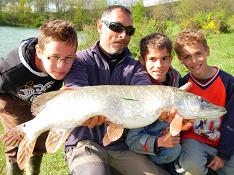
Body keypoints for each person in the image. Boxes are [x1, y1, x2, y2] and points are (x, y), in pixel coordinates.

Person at [63, 5, 170, 175]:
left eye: (129, 30)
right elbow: (75, 90)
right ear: (100, 26)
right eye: (116, 27)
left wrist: (161, 106)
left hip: (120, 146)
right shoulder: (80, 60)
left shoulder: (135, 68)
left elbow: (144, 91)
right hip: (84, 142)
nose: (123, 35)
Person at [0, 19, 78, 175]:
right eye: (53, 57)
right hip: (12, 100)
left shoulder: (70, 63)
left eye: (68, 58)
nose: (61, 66)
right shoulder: (11, 71)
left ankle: (33, 172)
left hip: (42, 100)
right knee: (18, 140)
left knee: (39, 137)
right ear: (39, 52)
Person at [174, 29, 234, 175]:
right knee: (191, 166)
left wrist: (223, 154)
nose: (194, 61)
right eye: (187, 57)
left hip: (221, 138)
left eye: (198, 54)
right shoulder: (183, 84)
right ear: (180, 59)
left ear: (207, 51)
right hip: (194, 139)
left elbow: (232, 121)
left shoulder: (228, 82)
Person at [125, 33, 182, 174]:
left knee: (177, 150)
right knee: (172, 150)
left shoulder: (176, 78)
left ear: (171, 59)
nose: (159, 65)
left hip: (171, 137)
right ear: (142, 61)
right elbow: (132, 140)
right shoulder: (139, 88)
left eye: (164, 59)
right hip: (147, 142)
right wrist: (159, 142)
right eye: (152, 59)